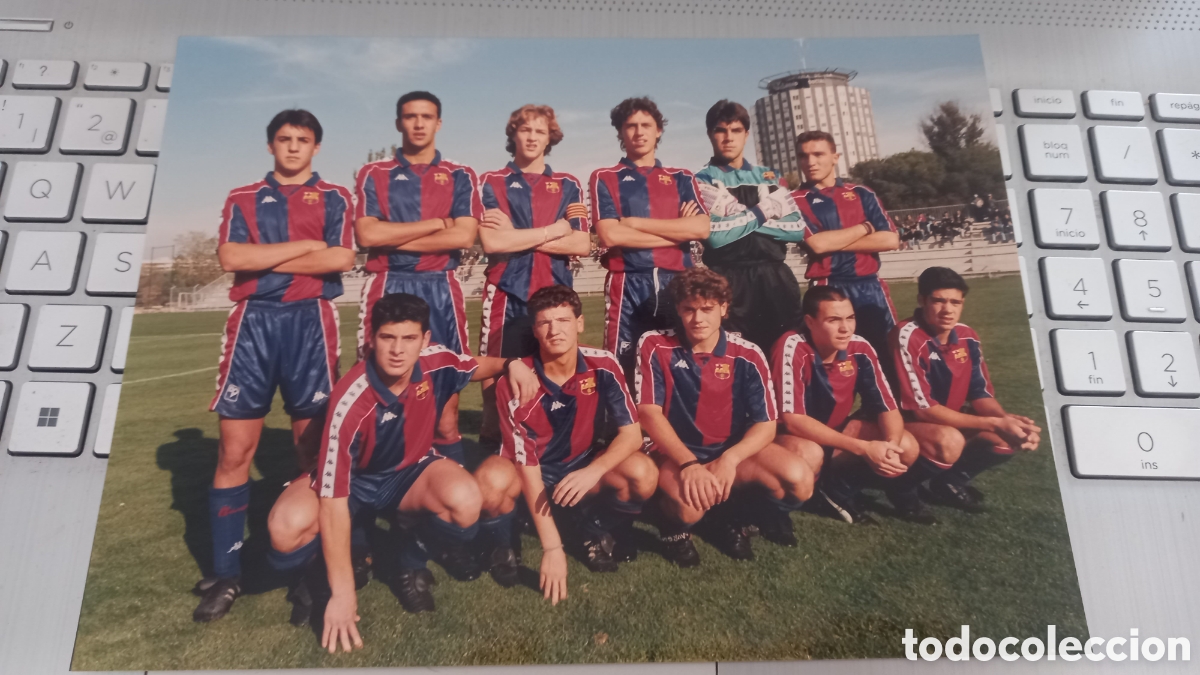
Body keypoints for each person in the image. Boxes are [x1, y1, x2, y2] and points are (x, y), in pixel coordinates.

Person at [264, 293, 540, 652]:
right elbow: (333, 501)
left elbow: (478, 365)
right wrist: (344, 595)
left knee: (465, 499)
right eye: (388, 338)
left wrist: (512, 364)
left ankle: (408, 563)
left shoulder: (436, 361)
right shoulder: (351, 399)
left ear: (424, 340)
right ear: (371, 340)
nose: (398, 350)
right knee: (284, 528)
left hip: (408, 474)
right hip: (354, 482)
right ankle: (318, 576)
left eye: (409, 338)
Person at [196, 109, 355, 623]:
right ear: (270, 146)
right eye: (284, 139)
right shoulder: (242, 197)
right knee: (234, 451)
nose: (292, 147)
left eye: (302, 140)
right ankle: (226, 573)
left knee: (311, 451)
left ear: (316, 147)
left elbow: (340, 260)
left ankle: (309, 571)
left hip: (311, 322)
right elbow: (228, 258)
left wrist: (263, 258)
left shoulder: (335, 197)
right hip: (252, 325)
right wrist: (307, 247)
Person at [473, 285, 655, 601]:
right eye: (545, 322)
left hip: (578, 463)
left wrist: (592, 471)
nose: (554, 330)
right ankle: (504, 543)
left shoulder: (604, 364)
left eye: (564, 320)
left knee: (642, 472)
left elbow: (632, 434)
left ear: (580, 323)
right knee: (490, 481)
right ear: (535, 329)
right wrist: (552, 548)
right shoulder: (516, 380)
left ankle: (590, 530)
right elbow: (526, 464)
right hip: (526, 469)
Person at [637, 269, 813, 566]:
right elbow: (649, 413)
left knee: (799, 480)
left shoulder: (747, 353)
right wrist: (689, 463)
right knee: (689, 509)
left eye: (707, 309)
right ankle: (672, 526)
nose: (698, 319)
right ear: (678, 310)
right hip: (675, 454)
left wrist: (729, 460)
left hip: (726, 450)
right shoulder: (655, 344)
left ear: (723, 308)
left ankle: (734, 516)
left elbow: (766, 424)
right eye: (689, 309)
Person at [354, 91, 482, 465]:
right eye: (411, 117)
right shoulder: (374, 173)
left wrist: (394, 232)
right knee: (380, 399)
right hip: (388, 284)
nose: (419, 123)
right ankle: (379, 491)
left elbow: (463, 236)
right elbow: (367, 236)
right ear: (399, 123)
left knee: (446, 408)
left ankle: (446, 492)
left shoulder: (460, 175)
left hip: (441, 286)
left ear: (439, 123)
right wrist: (434, 225)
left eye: (427, 117)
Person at [694, 100, 872, 354]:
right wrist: (766, 211)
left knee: (785, 351)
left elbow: (795, 229)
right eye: (720, 130)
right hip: (727, 276)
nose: (728, 138)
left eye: (735, 131)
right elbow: (717, 237)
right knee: (735, 356)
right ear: (711, 134)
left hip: (775, 276)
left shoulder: (770, 176)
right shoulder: (702, 178)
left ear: (746, 134)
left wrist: (738, 217)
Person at [476, 104, 591, 451]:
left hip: (554, 294)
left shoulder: (568, 185)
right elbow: (494, 241)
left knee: (555, 370)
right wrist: (554, 230)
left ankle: (556, 444)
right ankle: (493, 442)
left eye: (540, 131)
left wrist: (519, 235)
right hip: (506, 292)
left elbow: (582, 243)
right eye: (525, 130)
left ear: (549, 138)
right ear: (513, 134)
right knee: (496, 373)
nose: (532, 137)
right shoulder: (492, 181)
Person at [770, 286, 935, 525]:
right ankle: (802, 499)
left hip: (837, 432)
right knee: (810, 454)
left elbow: (887, 407)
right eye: (833, 320)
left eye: (850, 318)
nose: (845, 328)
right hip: (793, 437)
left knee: (905, 446)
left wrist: (889, 446)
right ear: (810, 321)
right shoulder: (791, 346)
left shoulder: (860, 347)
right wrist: (863, 448)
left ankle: (838, 489)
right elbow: (793, 420)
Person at [889, 267, 1041, 513]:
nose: (948, 310)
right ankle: (902, 488)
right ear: (922, 300)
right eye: (938, 301)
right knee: (950, 440)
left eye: (955, 302)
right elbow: (923, 411)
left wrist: (1005, 422)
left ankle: (950, 481)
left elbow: (980, 394)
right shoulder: (907, 335)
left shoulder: (967, 336)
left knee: (1006, 437)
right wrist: (994, 423)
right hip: (907, 421)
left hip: (950, 417)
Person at [589, 96, 710, 380]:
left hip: (678, 280)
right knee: (623, 364)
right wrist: (678, 231)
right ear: (620, 132)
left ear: (659, 131)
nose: (639, 132)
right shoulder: (605, 177)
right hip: (629, 281)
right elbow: (610, 234)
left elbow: (702, 229)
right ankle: (623, 425)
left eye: (647, 125)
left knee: (682, 361)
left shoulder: (682, 177)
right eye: (631, 126)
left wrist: (635, 224)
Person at [793, 130, 901, 366]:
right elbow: (817, 244)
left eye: (818, 154)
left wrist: (834, 241)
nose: (810, 162)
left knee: (888, 358)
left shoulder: (862, 193)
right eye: (803, 156)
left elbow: (890, 240)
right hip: (828, 286)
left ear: (835, 157)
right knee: (832, 364)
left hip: (871, 286)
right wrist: (865, 227)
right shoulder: (794, 200)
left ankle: (890, 405)